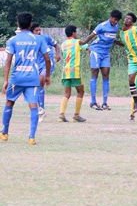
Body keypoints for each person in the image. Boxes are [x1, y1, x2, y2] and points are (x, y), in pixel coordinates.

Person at [1, 12, 51, 145]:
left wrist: (5, 80)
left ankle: (4, 133)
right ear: (30, 24)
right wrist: (47, 76)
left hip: (17, 78)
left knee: (9, 103)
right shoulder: (38, 39)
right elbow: (47, 59)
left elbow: (8, 62)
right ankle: (31, 137)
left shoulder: (12, 40)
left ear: (18, 24)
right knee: (33, 106)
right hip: (32, 78)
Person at [80, 10, 122, 111]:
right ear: (110, 17)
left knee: (106, 75)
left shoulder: (116, 27)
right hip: (96, 51)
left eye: (117, 20)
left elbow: (112, 39)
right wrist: (83, 42)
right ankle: (93, 102)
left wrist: (122, 44)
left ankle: (104, 103)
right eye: (114, 19)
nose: (116, 22)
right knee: (95, 74)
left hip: (106, 53)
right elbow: (91, 36)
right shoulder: (101, 26)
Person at [30, 23, 61, 122]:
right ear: (32, 32)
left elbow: (56, 45)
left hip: (48, 64)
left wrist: (58, 54)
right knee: (38, 87)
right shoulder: (30, 41)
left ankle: (41, 110)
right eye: (36, 30)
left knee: (41, 82)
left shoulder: (45, 37)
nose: (39, 32)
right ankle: (41, 109)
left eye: (39, 30)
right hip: (37, 65)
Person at [58, 25, 87, 123]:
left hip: (65, 71)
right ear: (74, 33)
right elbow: (86, 47)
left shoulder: (63, 44)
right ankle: (76, 115)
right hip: (74, 71)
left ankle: (61, 114)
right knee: (81, 91)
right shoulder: (77, 42)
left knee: (67, 93)